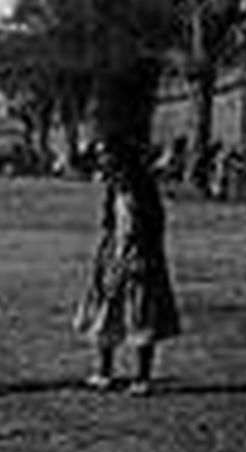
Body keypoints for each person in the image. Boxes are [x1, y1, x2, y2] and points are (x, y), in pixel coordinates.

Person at [73, 136, 181, 396]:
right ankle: (104, 371)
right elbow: (109, 225)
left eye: (105, 155)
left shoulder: (142, 189)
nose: (101, 161)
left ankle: (142, 376)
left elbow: (152, 228)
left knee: (141, 314)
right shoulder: (114, 187)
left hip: (141, 256)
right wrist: (106, 257)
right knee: (106, 310)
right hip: (113, 254)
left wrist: (141, 257)